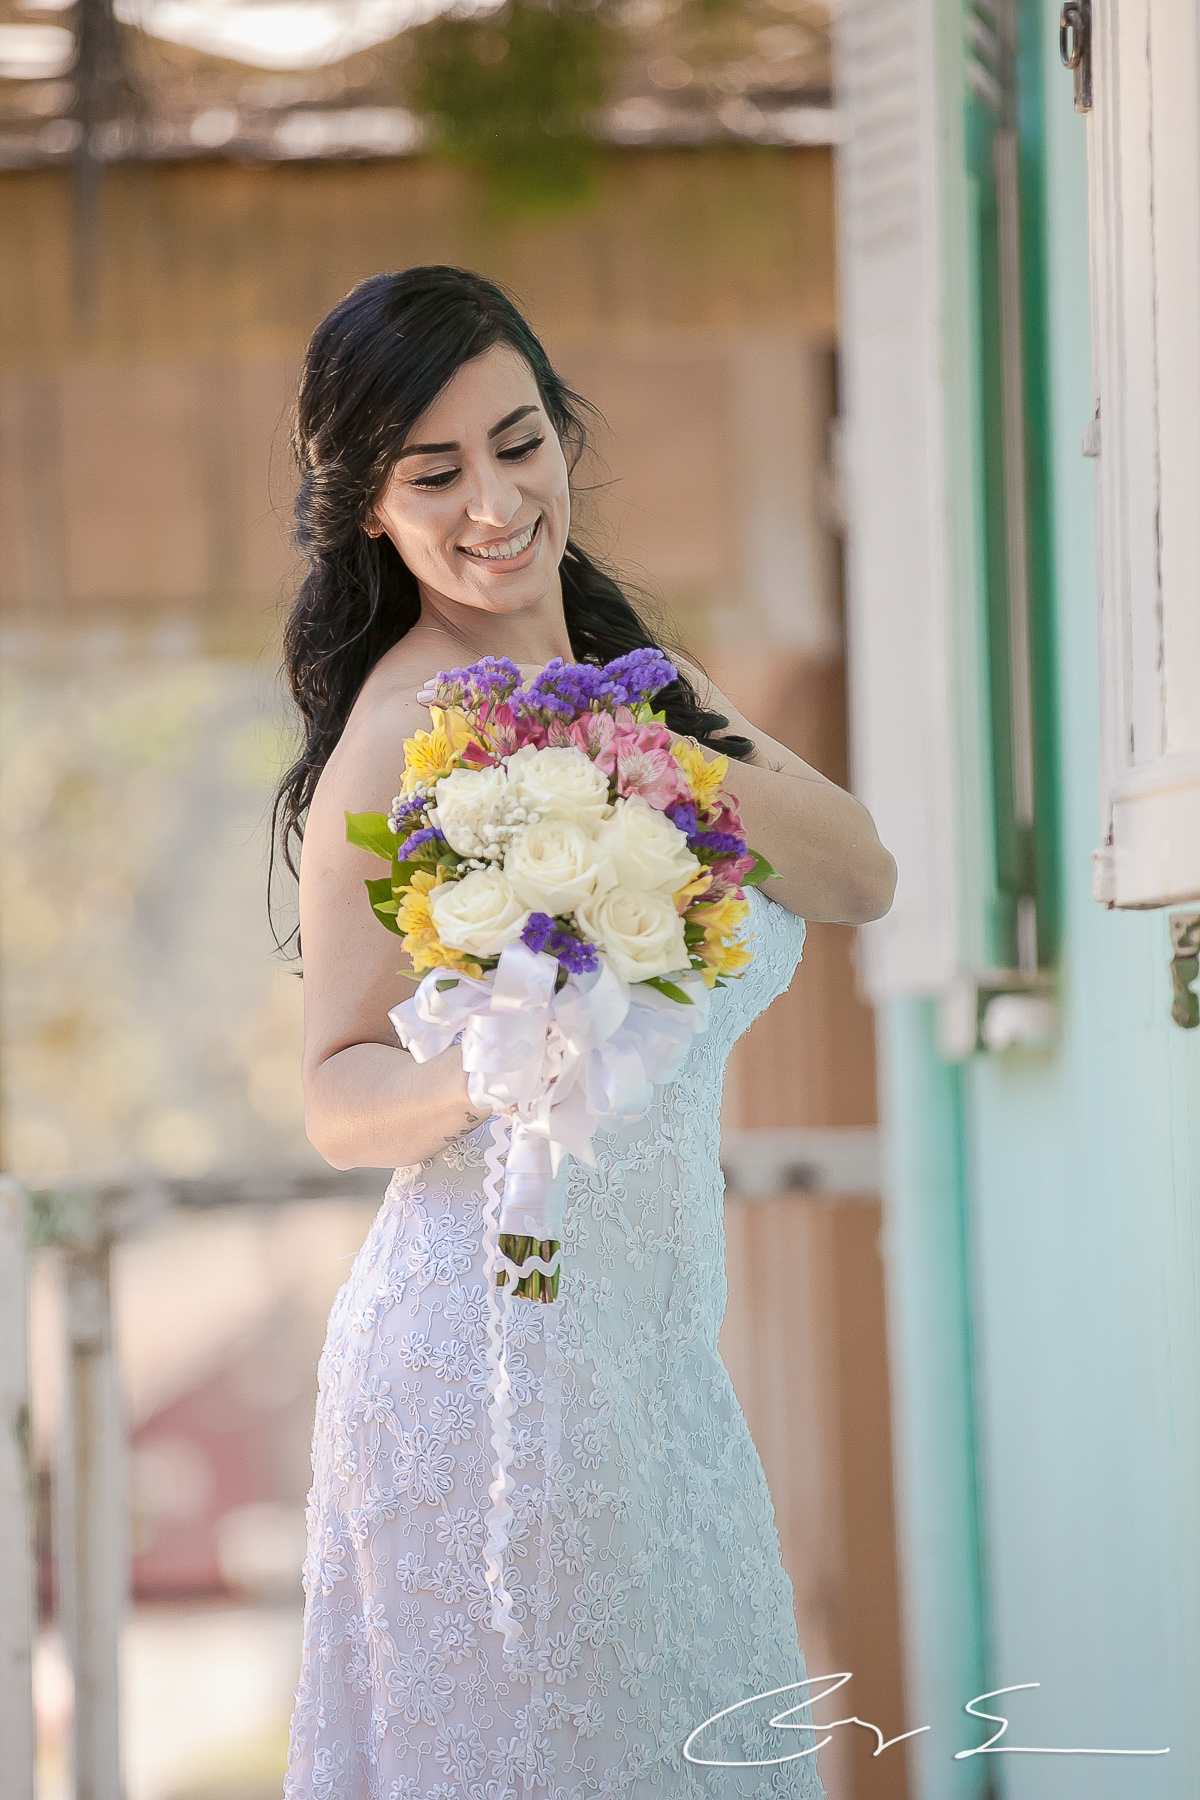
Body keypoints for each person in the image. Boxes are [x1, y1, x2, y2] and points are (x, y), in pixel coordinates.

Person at [275, 265, 896, 1800]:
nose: (493, 500)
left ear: (563, 436)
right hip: (487, 1360)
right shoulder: (393, 737)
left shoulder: (646, 685)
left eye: (519, 440)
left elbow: (860, 874)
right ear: (371, 507)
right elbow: (335, 1097)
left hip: (658, 1362)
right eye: (435, 473)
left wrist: (634, 743)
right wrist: (477, 1073)